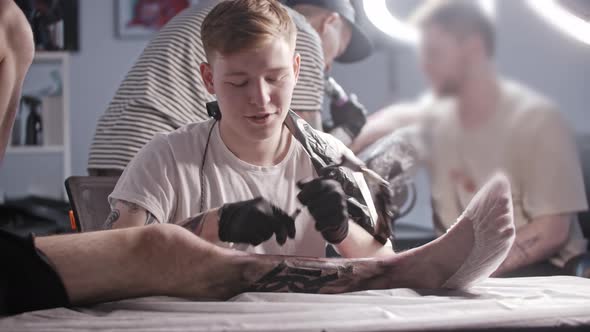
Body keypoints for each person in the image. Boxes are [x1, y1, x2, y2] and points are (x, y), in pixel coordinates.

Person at [1, 0, 515, 316]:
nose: (260, 100)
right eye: (239, 83)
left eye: (275, 80)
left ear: (297, 69)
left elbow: (377, 256)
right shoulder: (165, 157)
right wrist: (210, 225)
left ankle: (420, 266)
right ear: (207, 80)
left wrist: (341, 229)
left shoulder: (326, 155)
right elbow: (114, 260)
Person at [350, 0, 587, 277]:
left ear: (473, 49)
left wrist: (457, 272)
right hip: (464, 277)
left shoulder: (539, 121)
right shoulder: (437, 117)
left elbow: (551, 232)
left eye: (435, 54)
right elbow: (387, 121)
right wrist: (320, 150)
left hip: (540, 273)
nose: (426, 66)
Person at [87, 0, 370, 176]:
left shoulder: (229, 14)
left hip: (109, 150)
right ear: (329, 23)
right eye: (339, 48)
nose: (330, 66)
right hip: (162, 164)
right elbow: (306, 159)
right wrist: (347, 130)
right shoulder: (295, 34)